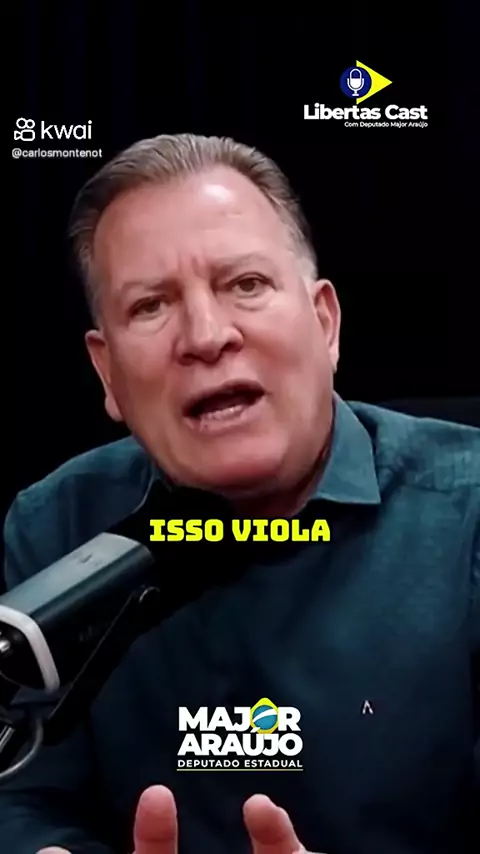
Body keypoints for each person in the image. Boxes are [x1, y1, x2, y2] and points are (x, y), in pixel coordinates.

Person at [1, 132, 478, 854]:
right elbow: (23, 794)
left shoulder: (468, 512)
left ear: (325, 324)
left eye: (246, 285)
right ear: (107, 374)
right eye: (151, 306)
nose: (206, 335)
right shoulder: (55, 525)